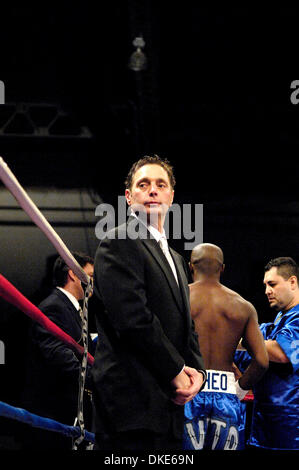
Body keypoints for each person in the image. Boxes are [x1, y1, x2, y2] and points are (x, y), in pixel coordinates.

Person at [91, 155, 206, 451]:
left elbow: (186, 324)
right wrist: (177, 372)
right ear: (129, 197)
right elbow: (133, 320)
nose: (153, 190)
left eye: (160, 184)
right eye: (143, 184)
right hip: (131, 405)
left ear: (171, 196)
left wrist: (197, 373)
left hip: (168, 407)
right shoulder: (118, 241)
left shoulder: (178, 260)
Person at [183, 243, 268, 450]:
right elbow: (262, 361)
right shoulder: (243, 306)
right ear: (222, 268)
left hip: (187, 390)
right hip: (227, 397)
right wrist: (238, 390)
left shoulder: (180, 298)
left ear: (190, 267)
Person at [22, 251, 95, 449]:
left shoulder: (71, 308)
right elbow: (59, 357)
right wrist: (99, 379)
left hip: (69, 413)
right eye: (90, 275)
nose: (93, 282)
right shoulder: (54, 306)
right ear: (73, 274)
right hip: (56, 415)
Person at [235, 256, 299, 450]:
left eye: (272, 284)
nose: (267, 291)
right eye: (265, 285)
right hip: (264, 426)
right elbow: (253, 353)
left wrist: (234, 340)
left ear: (293, 282)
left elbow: (281, 352)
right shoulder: (280, 318)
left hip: (291, 430)